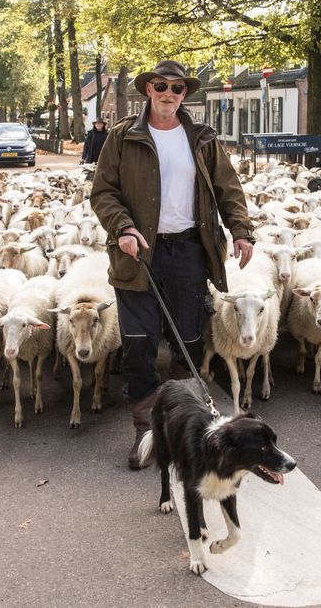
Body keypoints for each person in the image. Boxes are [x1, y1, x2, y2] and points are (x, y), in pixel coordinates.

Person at [90, 60, 255, 469]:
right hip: (138, 253)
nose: (168, 94)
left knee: (188, 338)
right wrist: (123, 228)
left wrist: (241, 229)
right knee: (139, 342)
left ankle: (182, 425)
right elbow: (103, 192)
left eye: (177, 88)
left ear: (185, 94)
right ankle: (145, 432)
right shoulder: (122, 135)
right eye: (160, 86)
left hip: (189, 250)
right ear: (148, 90)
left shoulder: (201, 138)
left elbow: (227, 186)